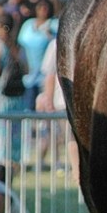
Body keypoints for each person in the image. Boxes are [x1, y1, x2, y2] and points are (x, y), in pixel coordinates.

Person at [0, 14, 28, 175]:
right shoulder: (19, 47)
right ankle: (12, 173)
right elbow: (27, 70)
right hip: (18, 99)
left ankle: (1, 174)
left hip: (1, 99)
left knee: (0, 140)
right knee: (14, 140)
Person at [36, 38, 80, 182]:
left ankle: (78, 170)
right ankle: (76, 171)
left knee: (73, 137)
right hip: (63, 99)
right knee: (71, 137)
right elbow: (50, 73)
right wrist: (48, 98)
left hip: (78, 99)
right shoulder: (56, 43)